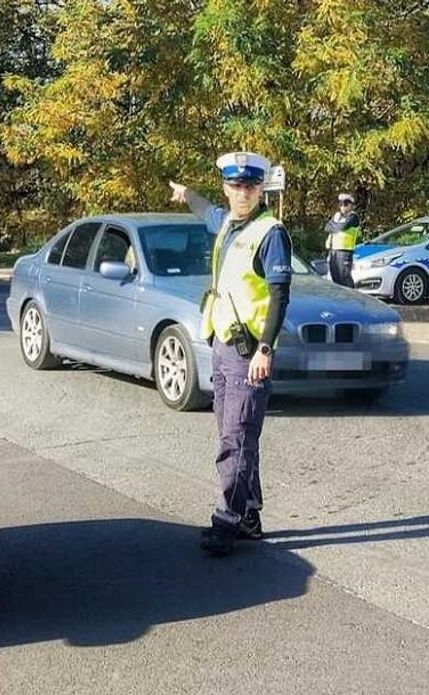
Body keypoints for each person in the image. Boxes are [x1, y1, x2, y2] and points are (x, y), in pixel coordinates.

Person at [168, 151, 293, 556]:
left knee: (236, 438)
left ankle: (227, 521)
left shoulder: (271, 233)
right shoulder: (227, 224)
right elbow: (206, 211)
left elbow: (279, 296)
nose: (243, 193)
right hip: (222, 343)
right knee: (233, 434)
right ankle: (249, 514)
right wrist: (186, 193)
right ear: (227, 187)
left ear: (261, 189)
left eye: (250, 186)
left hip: (248, 351)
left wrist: (265, 349)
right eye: (236, 186)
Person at [324, 193, 361, 288]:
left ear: (351, 206)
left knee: (344, 277)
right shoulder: (337, 217)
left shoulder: (353, 217)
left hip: (345, 251)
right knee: (335, 277)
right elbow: (327, 228)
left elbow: (342, 227)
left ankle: (352, 298)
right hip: (334, 250)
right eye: (341, 205)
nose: (342, 207)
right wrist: (336, 224)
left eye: (345, 205)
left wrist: (335, 224)